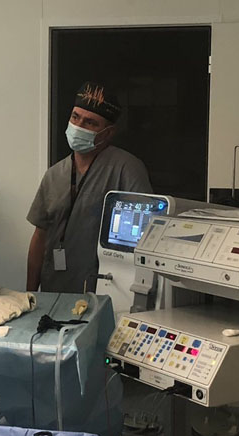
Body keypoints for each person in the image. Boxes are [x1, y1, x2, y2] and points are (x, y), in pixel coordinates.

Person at [26, 82, 152, 293]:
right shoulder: (54, 175)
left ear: (108, 132)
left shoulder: (126, 169)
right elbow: (40, 236)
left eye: (90, 122)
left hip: (107, 289)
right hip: (55, 288)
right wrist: (30, 293)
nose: (79, 126)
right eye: (75, 117)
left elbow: (145, 235)